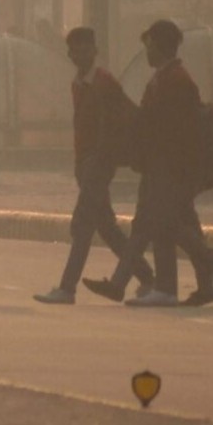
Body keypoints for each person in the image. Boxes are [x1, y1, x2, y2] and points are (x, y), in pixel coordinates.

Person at [85, 20, 213, 308]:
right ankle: (168, 287)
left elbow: (174, 130)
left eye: (150, 45)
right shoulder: (165, 78)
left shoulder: (177, 80)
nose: (147, 52)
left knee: (163, 223)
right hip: (158, 165)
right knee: (162, 223)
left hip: (169, 168)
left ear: (161, 45)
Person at [34, 26, 152, 304]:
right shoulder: (78, 83)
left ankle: (66, 288)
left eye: (85, 49)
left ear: (94, 51)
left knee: (82, 226)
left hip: (98, 163)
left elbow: (114, 122)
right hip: (86, 162)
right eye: (75, 50)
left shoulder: (104, 81)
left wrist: (101, 157)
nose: (80, 55)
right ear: (70, 54)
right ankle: (147, 277)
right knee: (106, 227)